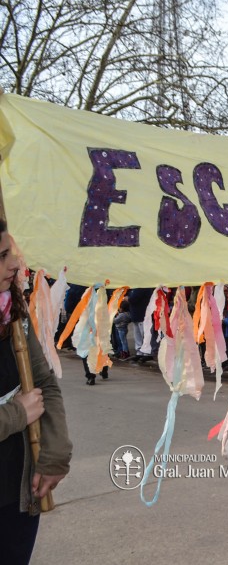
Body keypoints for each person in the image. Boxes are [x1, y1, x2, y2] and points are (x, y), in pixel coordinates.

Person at [0, 220, 72, 564]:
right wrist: (17, 414)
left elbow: (44, 384)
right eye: (2, 256)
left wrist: (56, 455)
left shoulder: (12, 313)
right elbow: (27, 407)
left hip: (17, 494)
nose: (14, 264)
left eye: (11, 253)